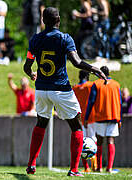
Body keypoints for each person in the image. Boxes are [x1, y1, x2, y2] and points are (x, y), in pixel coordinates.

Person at [23, 7, 106, 176]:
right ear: (58, 20)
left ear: (43, 21)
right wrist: (94, 69)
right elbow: (76, 62)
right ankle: (74, 169)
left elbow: (27, 66)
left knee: (41, 123)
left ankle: (31, 165)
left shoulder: (35, 39)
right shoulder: (65, 38)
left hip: (41, 90)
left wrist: (31, 74)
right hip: (61, 89)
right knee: (76, 125)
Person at [85, 66, 121, 173]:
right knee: (110, 141)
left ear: (99, 73)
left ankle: (99, 167)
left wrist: (86, 118)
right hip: (114, 116)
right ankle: (109, 168)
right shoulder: (116, 85)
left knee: (99, 141)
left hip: (100, 116)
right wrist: (119, 119)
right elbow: (119, 102)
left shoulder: (96, 84)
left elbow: (91, 101)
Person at [72, 70, 97, 172]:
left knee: (81, 142)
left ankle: (86, 167)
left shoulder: (75, 88)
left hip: (79, 118)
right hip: (92, 117)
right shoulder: (91, 85)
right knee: (93, 141)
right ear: (87, 76)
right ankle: (95, 165)